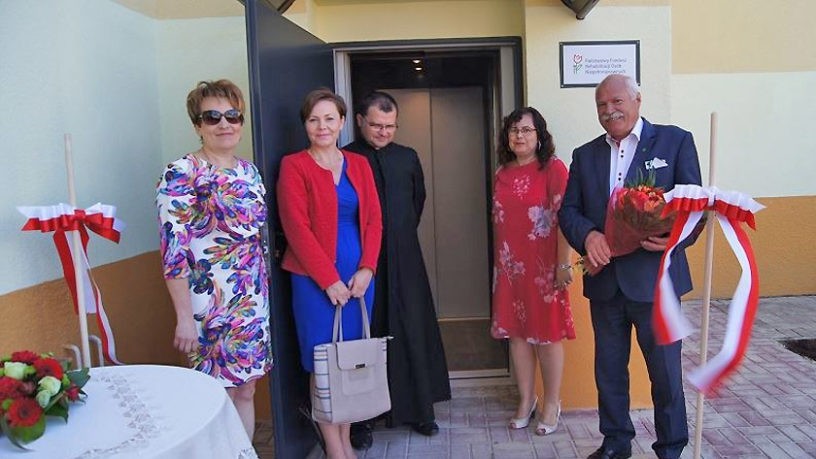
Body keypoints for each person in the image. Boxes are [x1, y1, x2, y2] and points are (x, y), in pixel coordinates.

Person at [559, 74, 702, 459]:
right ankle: (616, 442)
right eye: (601, 105)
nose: (609, 110)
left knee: (665, 374)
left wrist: (675, 237)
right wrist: (589, 236)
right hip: (605, 283)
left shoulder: (675, 141)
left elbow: (695, 206)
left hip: (656, 282)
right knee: (608, 372)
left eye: (617, 101)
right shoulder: (584, 155)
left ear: (637, 100)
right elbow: (568, 211)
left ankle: (670, 448)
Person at [156, 79, 272, 440]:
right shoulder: (182, 173)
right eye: (212, 117)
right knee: (216, 395)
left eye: (233, 116)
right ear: (198, 125)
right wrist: (184, 318)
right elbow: (173, 250)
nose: (224, 124)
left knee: (247, 389)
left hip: (251, 300)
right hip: (208, 306)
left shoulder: (249, 172)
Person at [277, 88, 382, 459]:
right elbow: (297, 229)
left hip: (359, 281)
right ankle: (335, 449)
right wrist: (328, 280)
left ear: (342, 122)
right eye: (313, 119)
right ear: (305, 125)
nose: (321, 126)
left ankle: (346, 440)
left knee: (349, 362)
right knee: (322, 364)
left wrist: (367, 268)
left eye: (329, 118)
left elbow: (374, 221)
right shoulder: (294, 165)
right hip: (313, 282)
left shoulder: (360, 164)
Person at [343, 91, 451, 447]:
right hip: (361, 262)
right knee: (365, 335)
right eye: (376, 125)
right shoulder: (346, 158)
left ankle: (419, 410)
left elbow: (417, 202)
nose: (383, 132)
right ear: (360, 120)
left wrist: (398, 237)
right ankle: (361, 421)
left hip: (405, 258)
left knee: (411, 330)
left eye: (390, 126)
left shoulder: (408, 157)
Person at [490, 107, 575, 436]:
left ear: (540, 135)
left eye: (526, 130)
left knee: (547, 334)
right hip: (510, 267)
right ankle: (527, 399)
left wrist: (563, 263)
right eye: (513, 130)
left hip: (544, 268)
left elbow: (565, 219)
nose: (519, 136)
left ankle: (552, 403)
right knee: (517, 333)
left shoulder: (553, 169)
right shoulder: (503, 172)